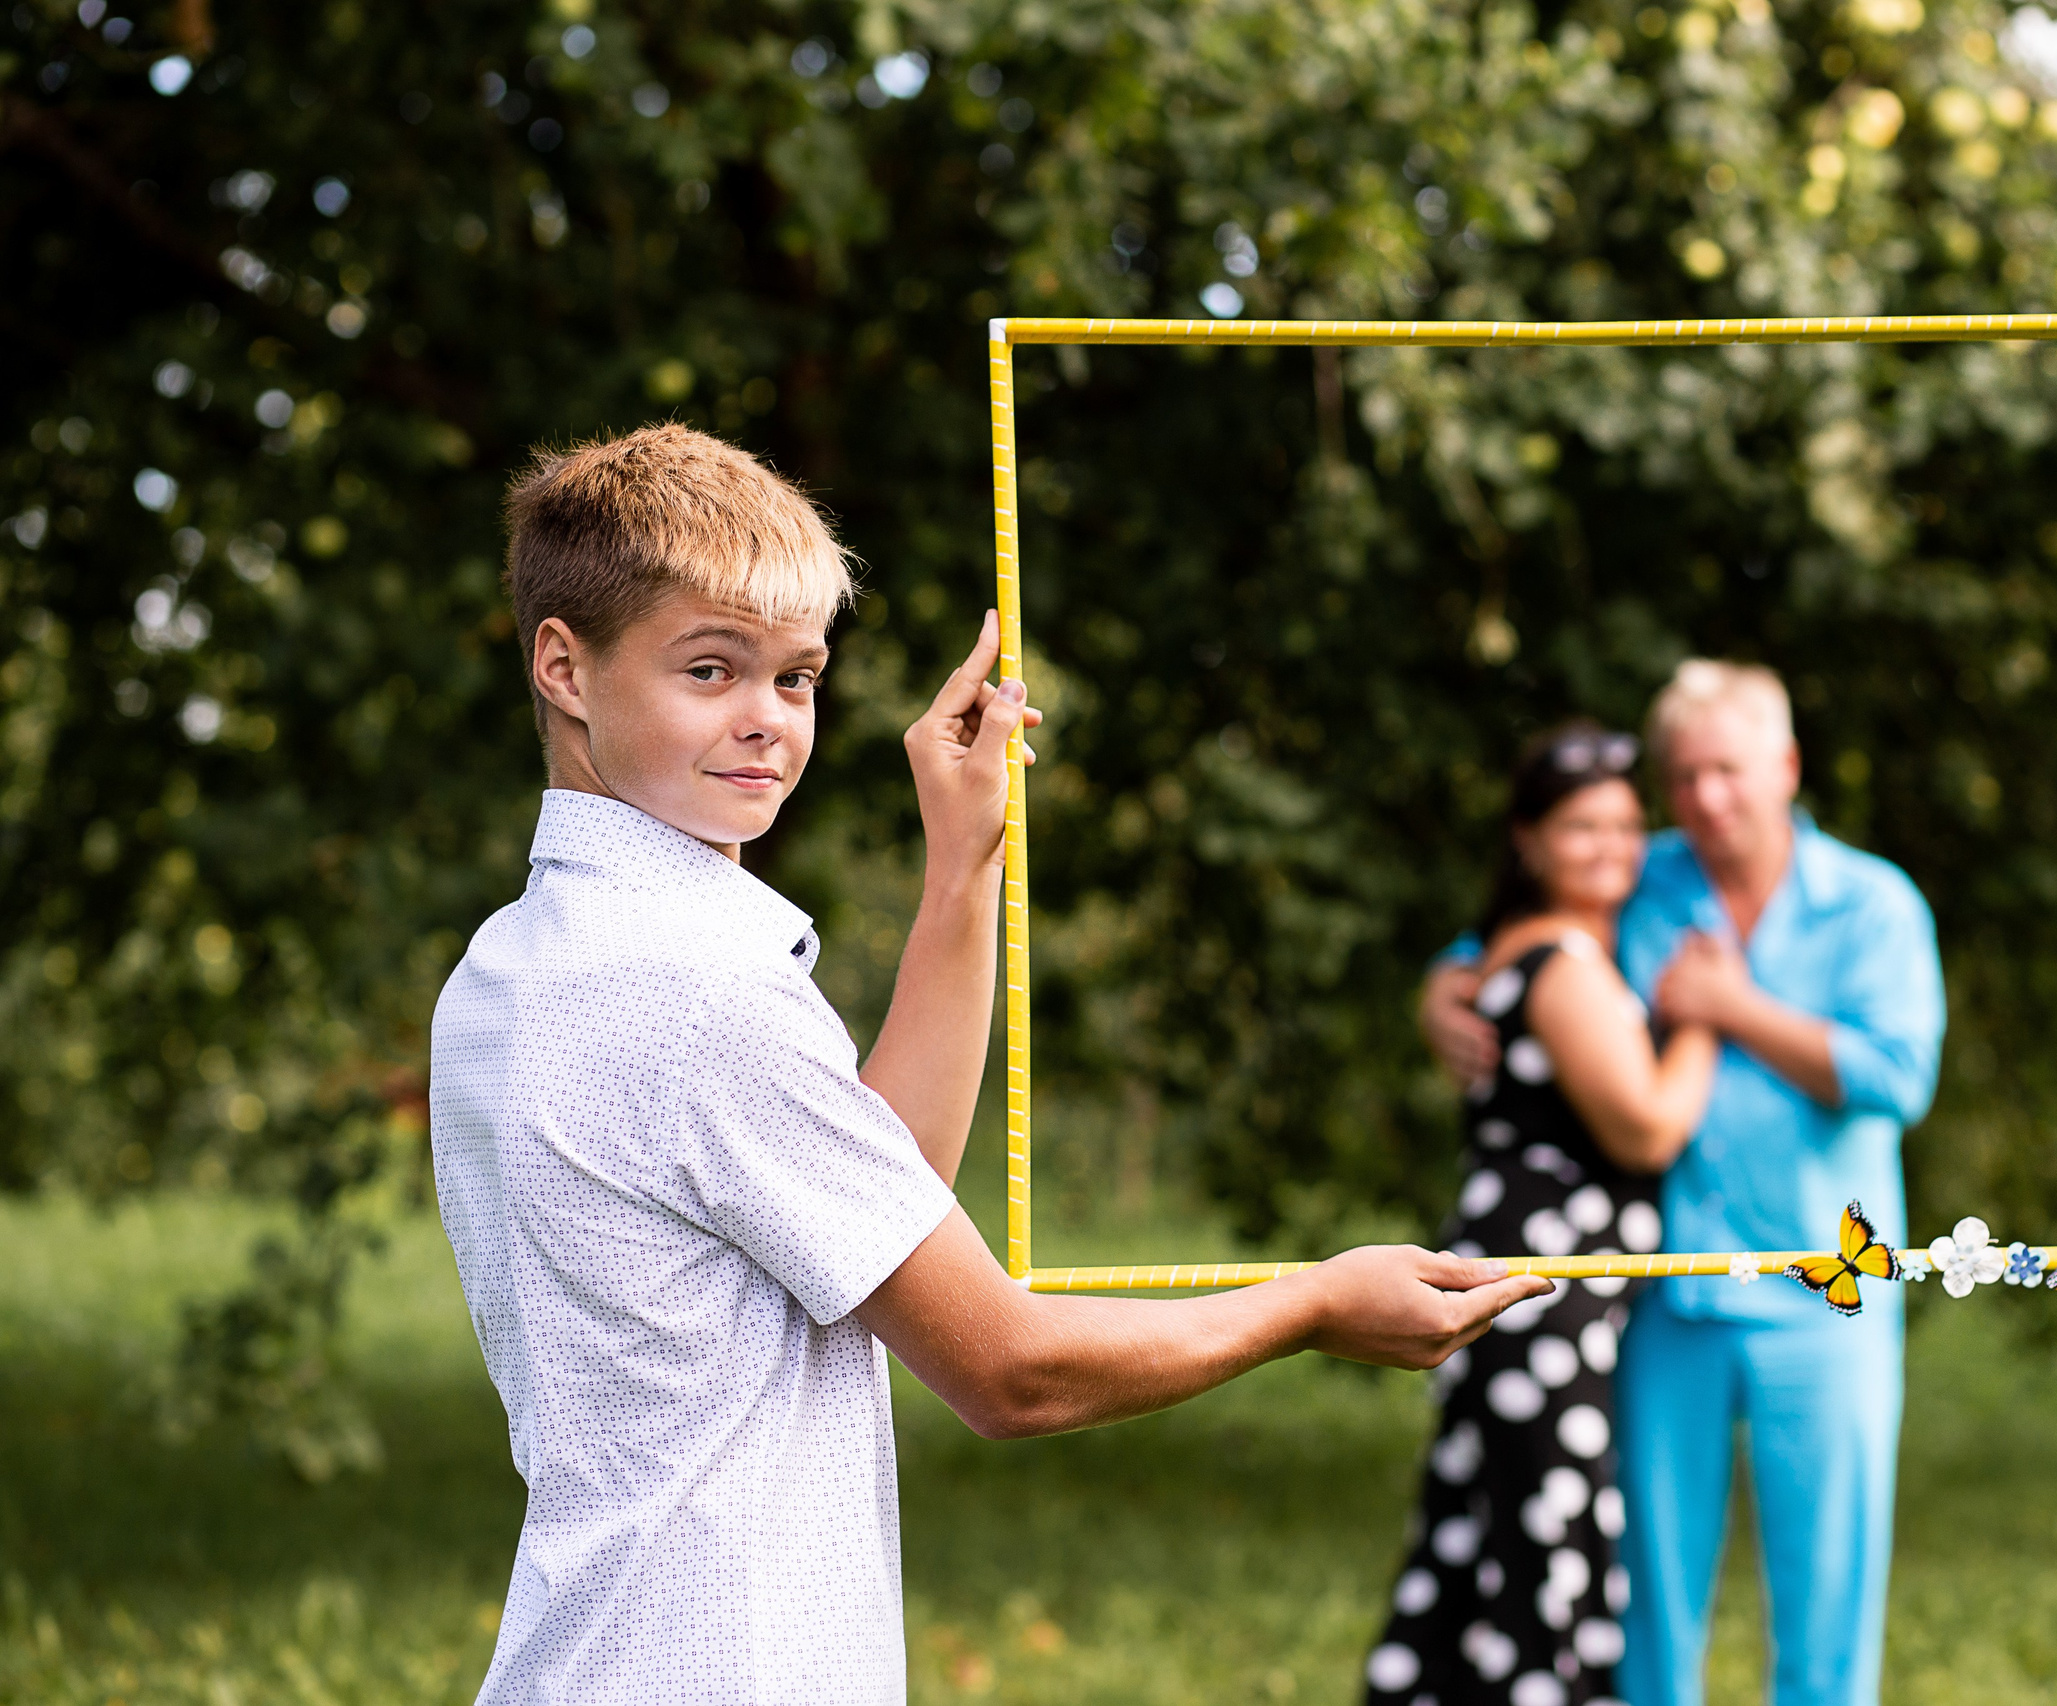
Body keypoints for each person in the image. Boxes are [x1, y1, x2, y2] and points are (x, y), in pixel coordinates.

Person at [430, 424, 1554, 1706]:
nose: (766, 723)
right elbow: (1009, 1371)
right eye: (709, 669)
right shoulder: (694, 991)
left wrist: (961, 867)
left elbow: (870, 1191)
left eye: (797, 678)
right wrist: (1309, 1305)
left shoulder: (510, 962)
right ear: (564, 667)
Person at [1420, 662, 1944, 1706]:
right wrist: (1442, 982)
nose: (1705, 796)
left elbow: (1899, 1075)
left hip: (1825, 1297)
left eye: (1728, 770)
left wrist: (1732, 1006)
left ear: (1787, 767)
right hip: (1667, 1289)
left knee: (1826, 1608)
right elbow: (1517, 937)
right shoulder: (1645, 876)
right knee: (1650, 1605)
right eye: (1685, 774)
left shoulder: (1872, 903)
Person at [1367, 725, 1724, 1706]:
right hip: (1540, 1297)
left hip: (1531, 1290)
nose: (1611, 845)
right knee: (1542, 1554)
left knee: (1484, 1539)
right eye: (1580, 826)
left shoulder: (1547, 947)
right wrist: (1700, 1016)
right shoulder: (1563, 960)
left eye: (1623, 823)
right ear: (1527, 839)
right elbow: (1647, 1128)